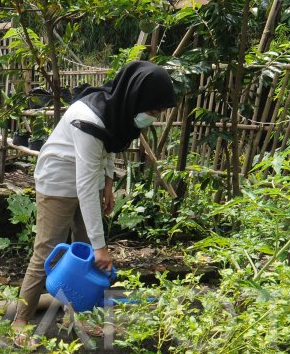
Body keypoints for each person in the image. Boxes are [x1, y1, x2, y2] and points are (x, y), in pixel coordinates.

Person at [12, 61, 176, 336]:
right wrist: (101, 248)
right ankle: (20, 320)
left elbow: (109, 147)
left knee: (84, 250)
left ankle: (74, 317)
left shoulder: (115, 109)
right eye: (151, 111)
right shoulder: (88, 117)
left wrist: (109, 185)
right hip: (58, 181)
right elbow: (85, 184)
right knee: (48, 249)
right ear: (136, 97)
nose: (152, 117)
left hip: (87, 176)